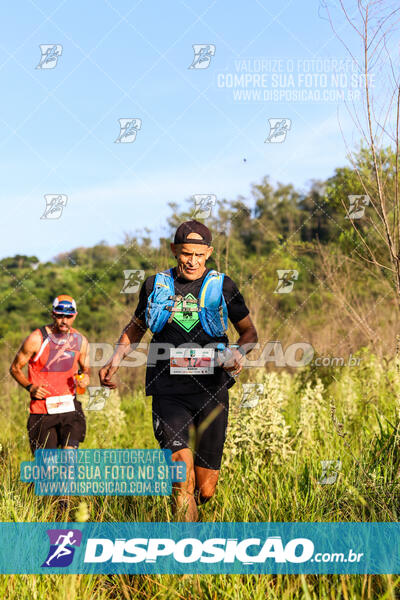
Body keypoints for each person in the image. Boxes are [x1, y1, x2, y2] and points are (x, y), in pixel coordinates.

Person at [99, 221, 258, 521]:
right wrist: (115, 359)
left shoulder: (223, 286)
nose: (192, 261)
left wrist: (238, 351)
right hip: (168, 390)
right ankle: (186, 554)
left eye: (199, 254)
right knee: (180, 476)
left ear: (209, 252)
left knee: (205, 488)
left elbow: (249, 333)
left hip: (212, 391)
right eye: (186, 253)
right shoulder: (154, 286)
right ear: (174, 250)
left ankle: (194, 513)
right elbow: (135, 329)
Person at [10, 294, 89, 454]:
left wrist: (85, 377)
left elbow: (85, 368)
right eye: (60, 316)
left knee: (69, 459)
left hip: (70, 408)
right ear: (53, 314)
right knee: (48, 471)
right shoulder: (37, 339)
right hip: (42, 412)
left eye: (68, 316)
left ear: (75, 315)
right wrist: (30, 387)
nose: (64, 321)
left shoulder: (80, 340)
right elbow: (15, 368)